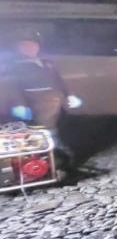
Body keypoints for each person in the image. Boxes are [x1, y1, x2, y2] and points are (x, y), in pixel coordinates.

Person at [5, 33, 81, 172]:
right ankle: (57, 162)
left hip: (57, 103)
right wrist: (20, 104)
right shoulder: (14, 66)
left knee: (59, 129)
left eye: (32, 45)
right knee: (47, 133)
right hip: (37, 105)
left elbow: (59, 80)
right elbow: (13, 86)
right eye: (24, 46)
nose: (29, 48)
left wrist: (70, 95)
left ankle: (60, 159)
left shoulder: (46, 62)